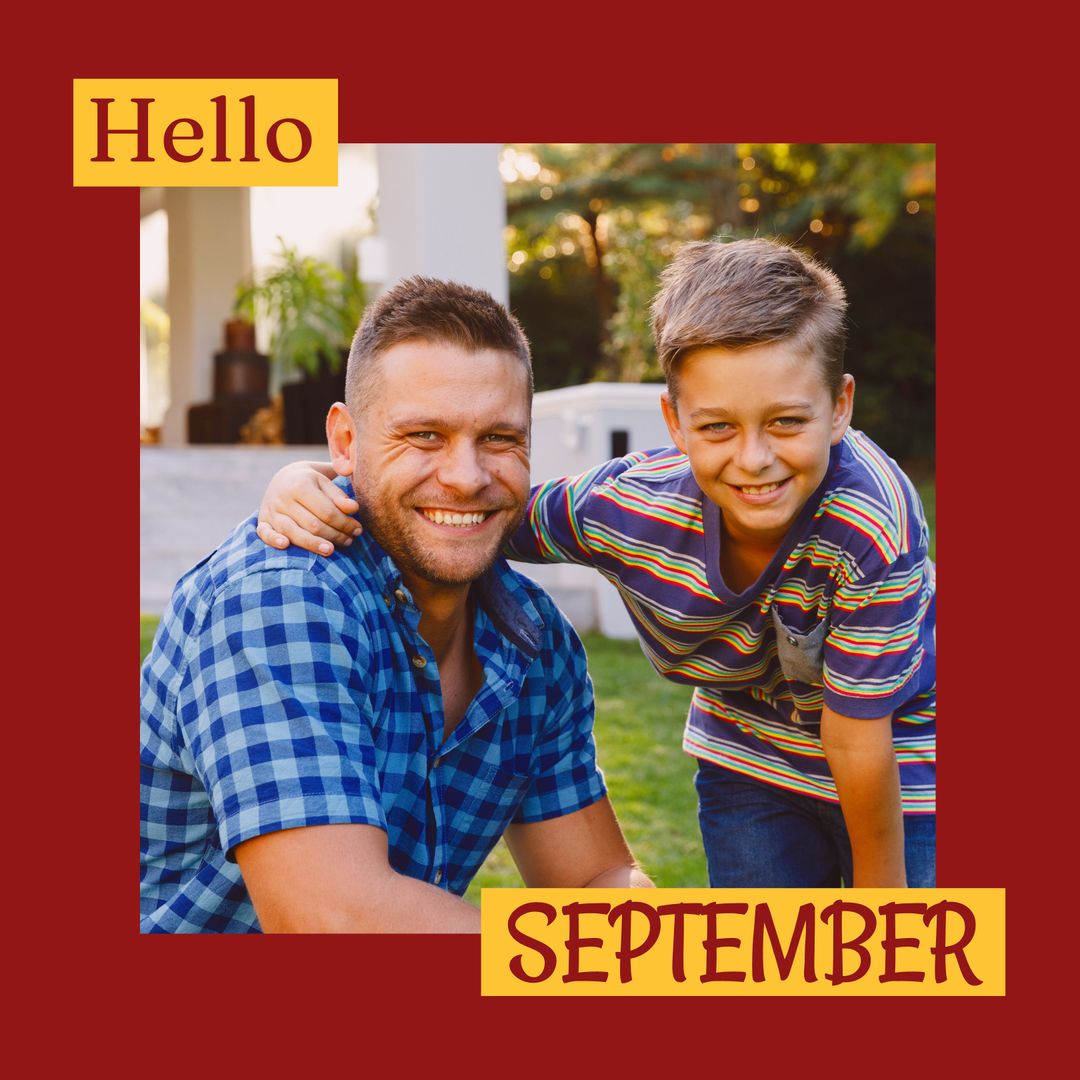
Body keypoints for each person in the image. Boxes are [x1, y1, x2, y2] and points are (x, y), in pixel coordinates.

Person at [258, 238, 936, 890]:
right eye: (717, 426)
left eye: (786, 421)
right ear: (674, 422)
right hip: (748, 754)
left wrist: (884, 902)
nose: (754, 458)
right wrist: (314, 481)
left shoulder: (871, 519)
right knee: (768, 954)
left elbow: (856, 735)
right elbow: (468, 512)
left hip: (898, 757)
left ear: (840, 407)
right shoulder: (626, 509)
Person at [140, 276, 651, 934]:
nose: (466, 477)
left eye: (499, 438)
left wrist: (666, 953)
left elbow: (592, 878)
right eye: (425, 435)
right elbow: (332, 918)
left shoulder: (532, 641)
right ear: (345, 441)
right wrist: (571, 965)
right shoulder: (281, 598)